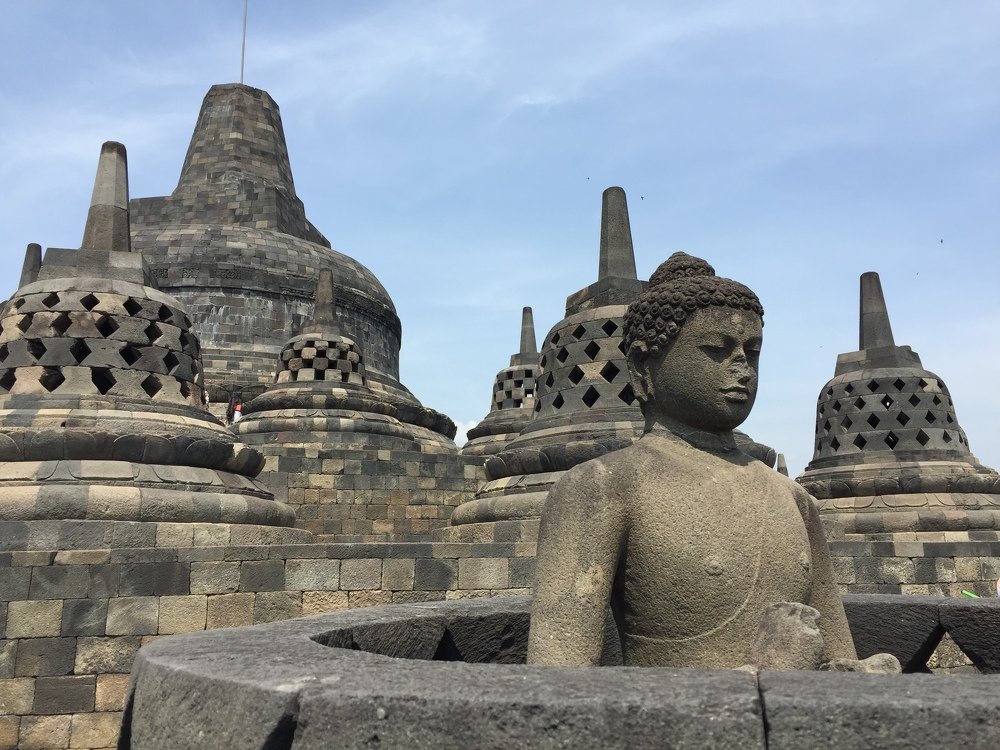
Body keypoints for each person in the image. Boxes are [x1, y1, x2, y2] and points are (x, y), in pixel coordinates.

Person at [527, 253, 865, 670]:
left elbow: (842, 660)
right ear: (643, 369)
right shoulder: (602, 487)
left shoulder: (793, 499)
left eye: (752, 352)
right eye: (716, 350)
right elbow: (558, 674)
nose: (742, 368)